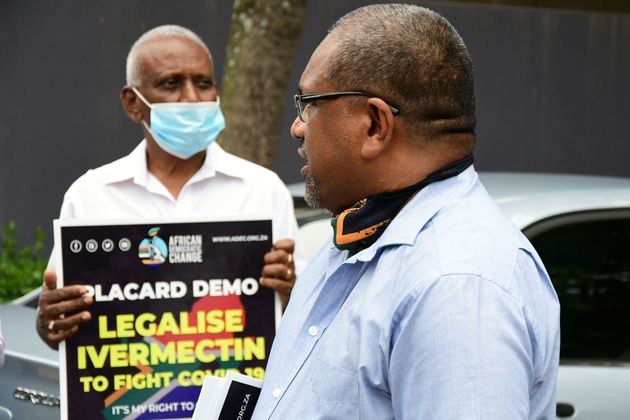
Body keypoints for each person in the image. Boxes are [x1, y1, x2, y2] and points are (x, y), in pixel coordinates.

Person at [252, 4, 560, 419]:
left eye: (309, 103)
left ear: (376, 125)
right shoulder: (362, 234)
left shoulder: (458, 288)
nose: (298, 126)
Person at [36, 25, 302, 349]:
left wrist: (290, 293)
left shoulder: (263, 190)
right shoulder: (90, 195)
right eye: (171, 83)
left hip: (241, 397)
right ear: (133, 103)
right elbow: (64, 323)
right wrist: (51, 322)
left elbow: (299, 321)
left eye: (203, 83)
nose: (191, 98)